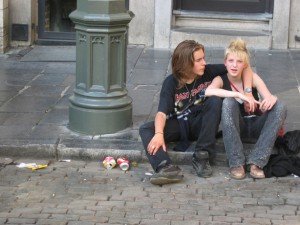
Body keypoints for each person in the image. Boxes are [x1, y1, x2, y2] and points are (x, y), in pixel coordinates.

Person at [139, 40, 255, 185]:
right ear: (186, 63)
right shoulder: (171, 83)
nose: (204, 63)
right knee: (146, 129)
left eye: (203, 58)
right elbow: (161, 113)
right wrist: (158, 134)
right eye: (199, 60)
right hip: (181, 124)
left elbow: (245, 66)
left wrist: (248, 92)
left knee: (214, 100)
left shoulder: (207, 72)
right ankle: (165, 168)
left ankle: (202, 156)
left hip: (205, 122)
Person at [206, 38, 287, 179]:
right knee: (228, 103)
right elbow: (208, 91)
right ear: (225, 62)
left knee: (281, 106)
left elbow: (268, 97)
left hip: (256, 125)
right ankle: (236, 162)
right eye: (231, 61)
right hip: (237, 127)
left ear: (245, 65)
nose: (234, 65)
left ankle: (257, 162)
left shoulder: (253, 78)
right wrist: (238, 95)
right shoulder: (220, 79)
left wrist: (271, 98)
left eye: (239, 62)